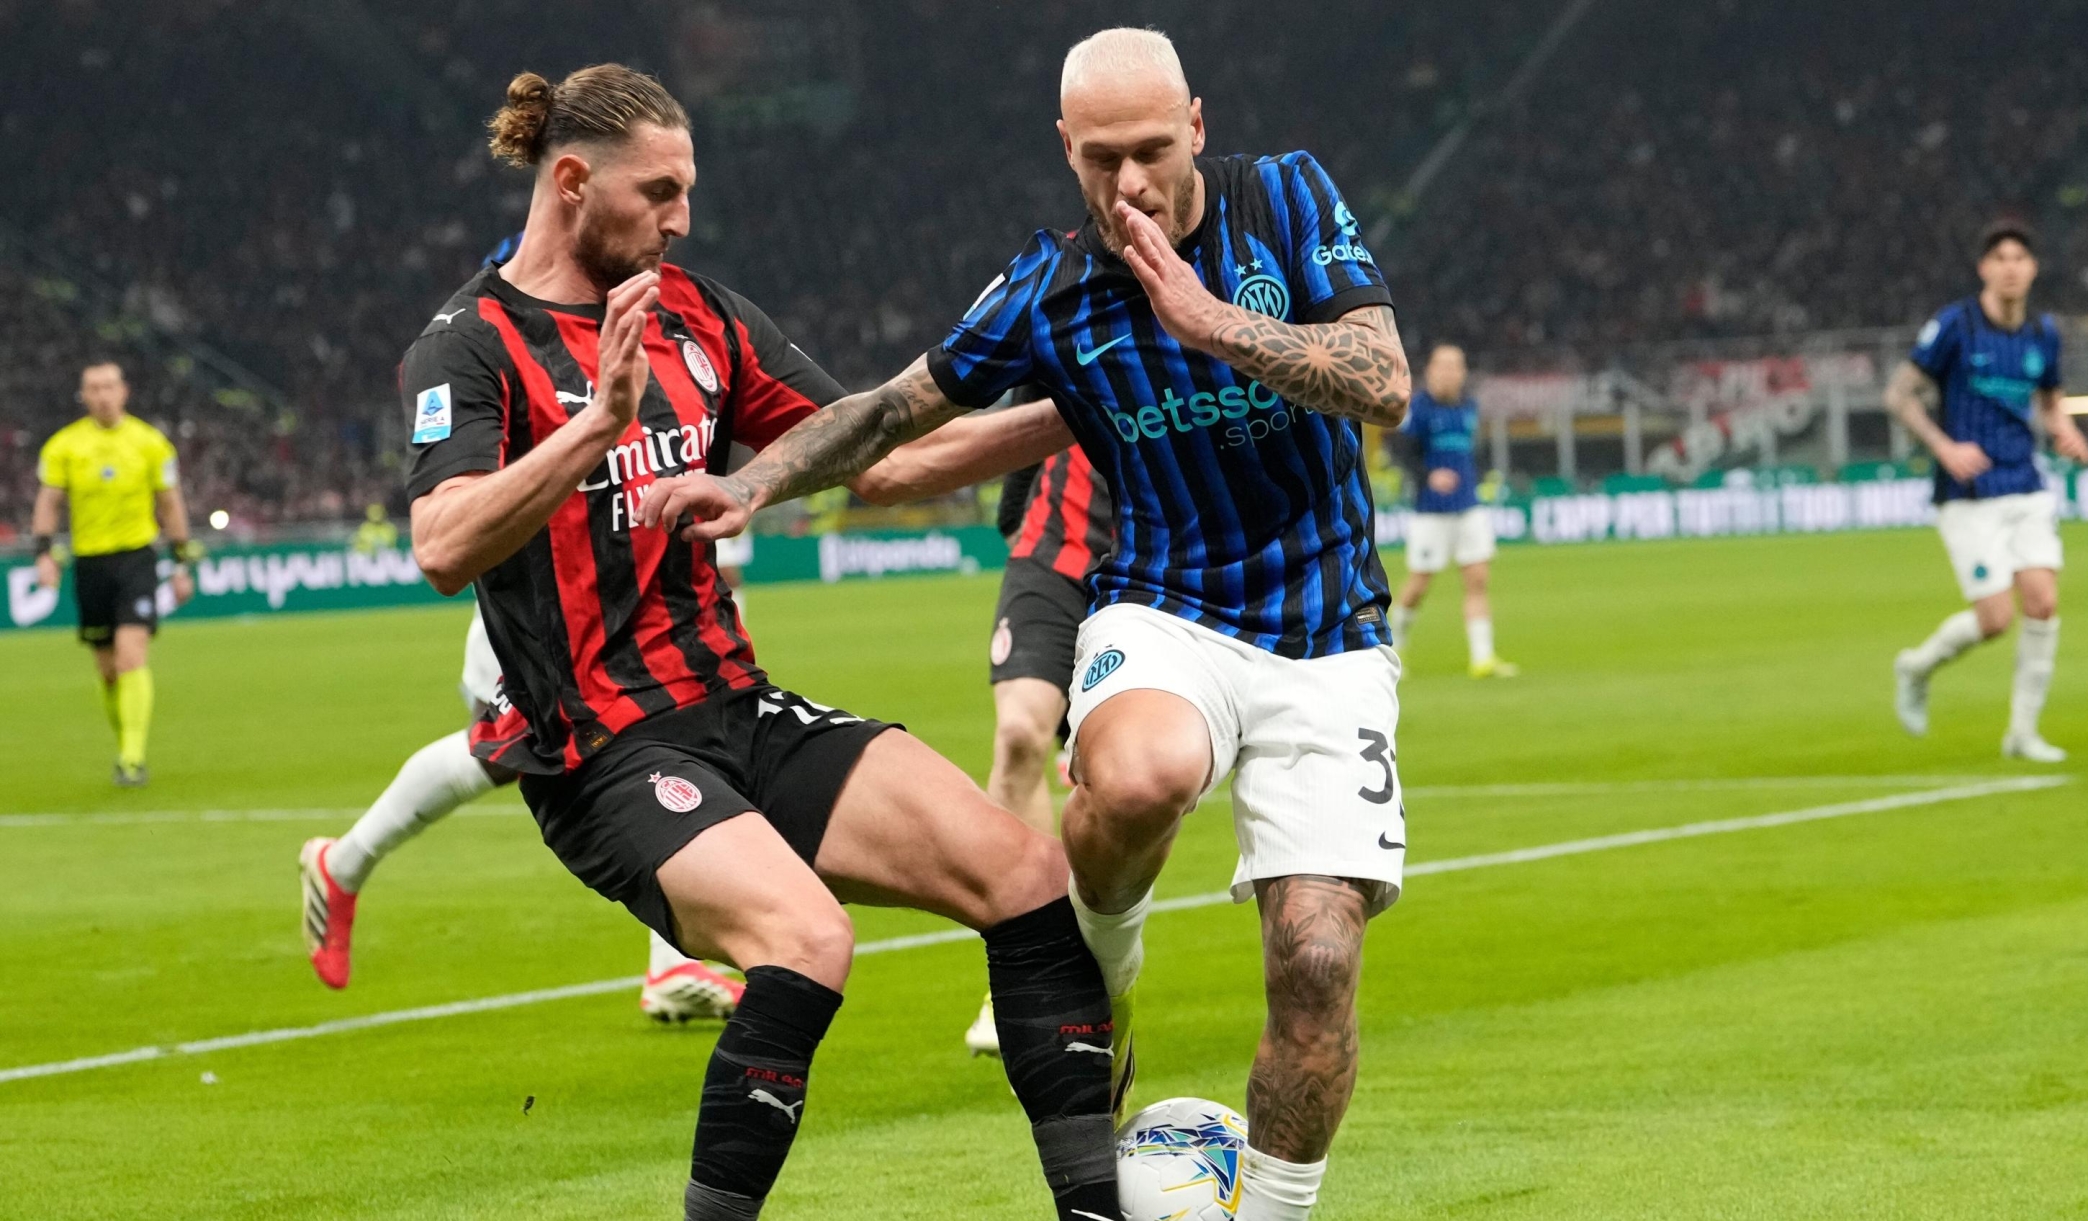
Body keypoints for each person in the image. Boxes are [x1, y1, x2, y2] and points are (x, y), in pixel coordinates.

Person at [639, 30, 1410, 1221]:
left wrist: (1211, 324)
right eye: (1102, 160)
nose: (1131, 185)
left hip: (1327, 626)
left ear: (1197, 125)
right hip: (1165, 605)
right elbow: (891, 410)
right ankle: (1110, 961)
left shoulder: (1289, 198)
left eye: (1154, 151)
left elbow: (1383, 381)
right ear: (1066, 149)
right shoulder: (1050, 286)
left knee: (1316, 955)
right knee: (1141, 774)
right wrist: (753, 485)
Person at [403, 65, 1120, 1221]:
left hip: (738, 708)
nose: (683, 218)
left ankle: (1100, 1208)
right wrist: (596, 425)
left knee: (1029, 874)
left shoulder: (697, 311)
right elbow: (442, 546)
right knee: (805, 938)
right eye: (662, 191)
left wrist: (1092, 399)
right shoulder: (468, 345)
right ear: (573, 181)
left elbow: (877, 461)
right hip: (605, 755)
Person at [297, 604, 746, 1022]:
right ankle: (344, 862)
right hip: (545, 582)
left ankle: (673, 964)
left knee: (667, 730)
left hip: (630, 587)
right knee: (510, 743)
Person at [859, 409, 1111, 1056]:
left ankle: (1105, 968)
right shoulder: (1060, 306)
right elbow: (1022, 404)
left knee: (1118, 787)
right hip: (1052, 554)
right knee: (1021, 733)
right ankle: (1023, 980)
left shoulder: (1216, 317)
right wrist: (1017, 521)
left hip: (1158, 568)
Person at [1888, 219, 2088, 762]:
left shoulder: (2043, 333)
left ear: (2032, 269)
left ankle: (2022, 733)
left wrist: (2064, 428)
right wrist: (1943, 446)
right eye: (1999, 258)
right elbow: (1900, 395)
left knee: (2043, 602)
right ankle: (1916, 667)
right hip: (1967, 491)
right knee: (1996, 618)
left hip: (2024, 482)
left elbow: (2050, 400)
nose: (2010, 267)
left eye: (2019, 258)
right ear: (1984, 268)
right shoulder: (1956, 325)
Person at [31, 360, 199, 786]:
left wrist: (181, 563)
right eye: (94, 388)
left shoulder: (150, 443)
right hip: (89, 564)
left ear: (124, 391)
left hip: (136, 559)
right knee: (107, 669)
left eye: (109, 386)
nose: (102, 394)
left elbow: (170, 503)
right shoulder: (63, 446)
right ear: (83, 395)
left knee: (131, 654)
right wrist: (43, 553)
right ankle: (128, 737)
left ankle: (131, 758)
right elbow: (49, 502)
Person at [1389, 343, 1515, 677]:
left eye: (1456, 365)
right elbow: (1401, 452)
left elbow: (1472, 452)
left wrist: (1482, 477)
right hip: (1430, 511)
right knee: (1419, 583)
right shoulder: (1418, 408)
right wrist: (1428, 475)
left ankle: (1483, 658)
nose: (1449, 372)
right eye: (1443, 365)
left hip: (1468, 507)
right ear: (1429, 371)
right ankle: (1393, 647)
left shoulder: (1469, 408)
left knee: (1477, 579)